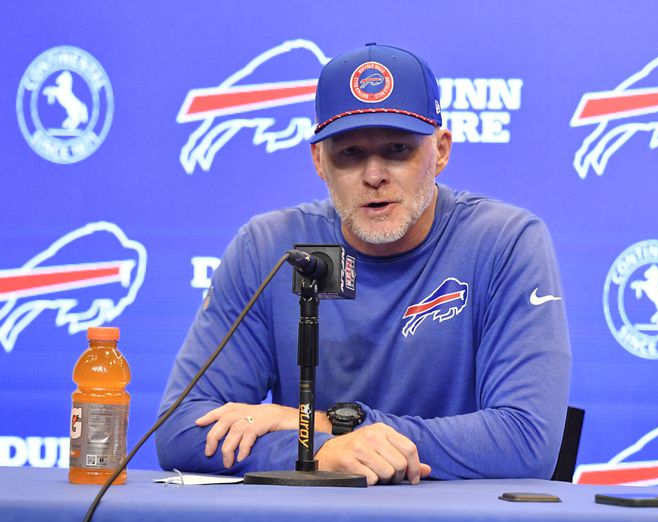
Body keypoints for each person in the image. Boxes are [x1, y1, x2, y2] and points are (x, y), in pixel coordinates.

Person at [156, 43, 571, 485]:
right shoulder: (270, 247)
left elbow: (527, 442)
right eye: (350, 153)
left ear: (441, 151)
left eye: (397, 149)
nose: (374, 175)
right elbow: (180, 431)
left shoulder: (506, 241)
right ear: (319, 161)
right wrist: (324, 452)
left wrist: (324, 424)